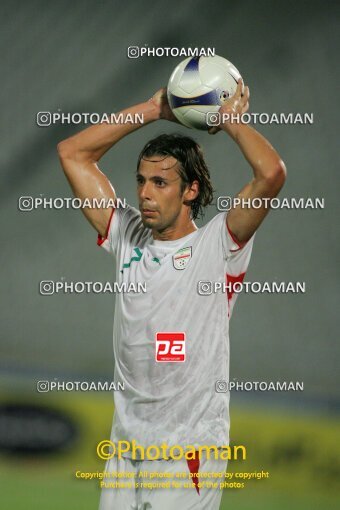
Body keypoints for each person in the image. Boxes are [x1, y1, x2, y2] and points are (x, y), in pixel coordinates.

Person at [58, 78, 286, 510]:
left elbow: (271, 174)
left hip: (189, 450)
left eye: (160, 183)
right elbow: (72, 153)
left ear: (191, 190)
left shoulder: (219, 245)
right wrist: (151, 109)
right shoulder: (128, 235)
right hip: (126, 447)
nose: (144, 193)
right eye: (141, 180)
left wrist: (230, 121)